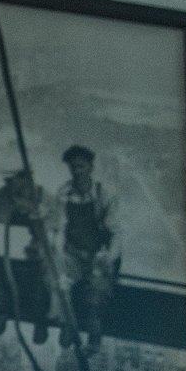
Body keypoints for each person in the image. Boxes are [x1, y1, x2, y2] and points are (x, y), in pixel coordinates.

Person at [51, 144, 120, 350]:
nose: (76, 171)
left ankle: (94, 336)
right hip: (73, 252)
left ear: (90, 167)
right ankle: (66, 324)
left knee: (96, 297)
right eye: (73, 167)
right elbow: (60, 228)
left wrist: (108, 257)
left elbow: (116, 231)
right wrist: (60, 252)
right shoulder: (63, 194)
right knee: (59, 282)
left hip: (98, 254)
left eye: (81, 166)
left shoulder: (104, 195)